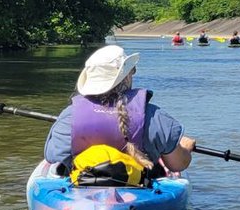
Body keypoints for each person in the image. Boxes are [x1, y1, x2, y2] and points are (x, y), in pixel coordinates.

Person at [44, 45, 196, 186]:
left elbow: (52, 157)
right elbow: (178, 165)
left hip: (81, 187)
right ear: (127, 76)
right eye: (132, 70)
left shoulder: (68, 117)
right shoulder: (154, 117)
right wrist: (185, 148)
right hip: (138, 189)